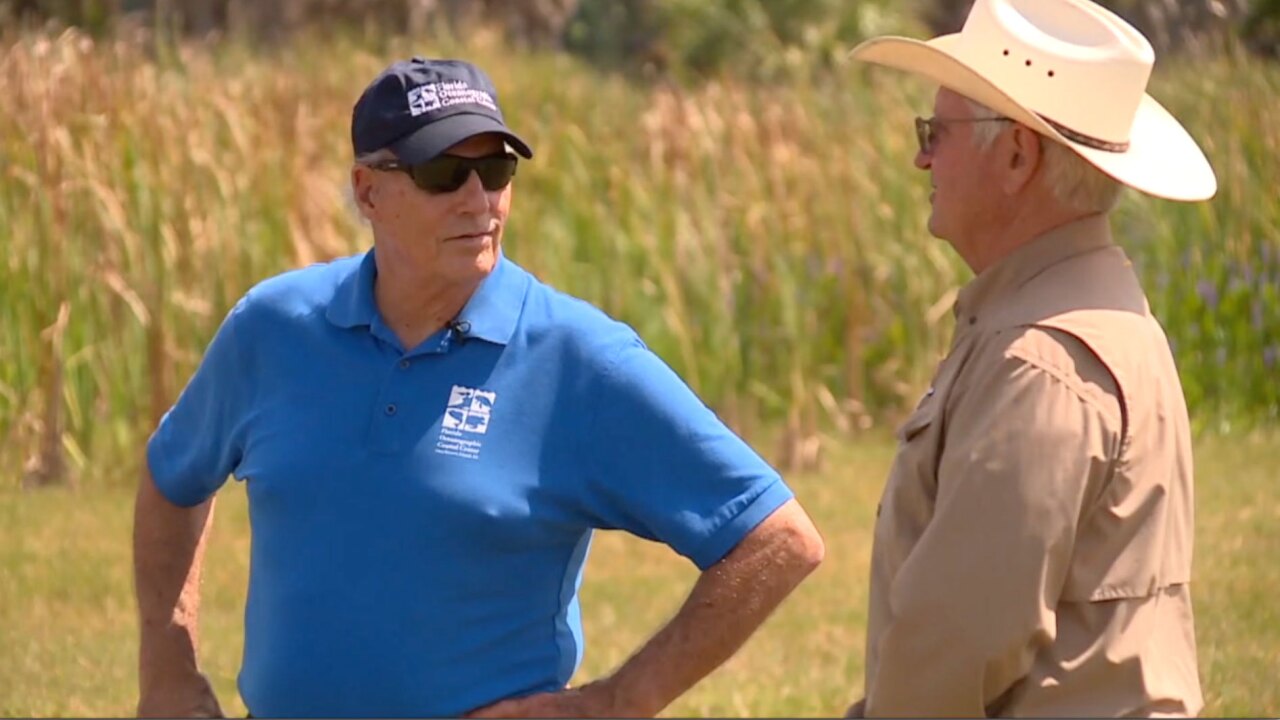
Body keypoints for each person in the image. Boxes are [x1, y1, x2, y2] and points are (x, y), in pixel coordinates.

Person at [132, 56, 824, 719]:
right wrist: (167, 669)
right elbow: (173, 476)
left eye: (495, 170)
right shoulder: (273, 328)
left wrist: (621, 700)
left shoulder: (581, 359)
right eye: (444, 172)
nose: (479, 200)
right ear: (368, 190)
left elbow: (777, 540)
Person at [841, 0, 1215, 716]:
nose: (922, 155)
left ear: (1017, 156)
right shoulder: (1085, 314)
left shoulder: (1040, 361)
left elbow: (959, 637)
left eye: (937, 132)